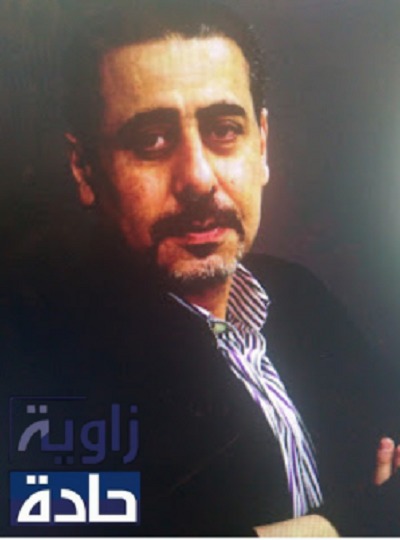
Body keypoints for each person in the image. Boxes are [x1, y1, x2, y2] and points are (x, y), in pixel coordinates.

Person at [1, 0, 399, 536]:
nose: (198, 179)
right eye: (151, 140)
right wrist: (347, 524)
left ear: (262, 144)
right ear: (85, 169)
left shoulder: (300, 293)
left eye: (224, 129)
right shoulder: (40, 353)